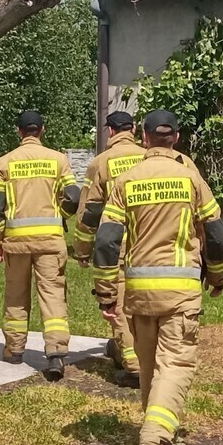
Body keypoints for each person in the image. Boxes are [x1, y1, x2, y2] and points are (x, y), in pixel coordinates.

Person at [92, 109, 223, 445]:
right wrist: (217, 276)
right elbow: (215, 234)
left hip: (138, 293)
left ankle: (153, 434)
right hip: (181, 292)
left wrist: (107, 293)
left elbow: (106, 242)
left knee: (151, 368)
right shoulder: (191, 179)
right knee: (175, 365)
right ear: (177, 138)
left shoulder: (126, 182)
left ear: (144, 137)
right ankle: (154, 443)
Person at [0, 110, 80, 381]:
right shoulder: (58, 160)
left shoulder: (4, 162)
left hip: (16, 243)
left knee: (16, 294)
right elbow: (73, 196)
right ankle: (55, 353)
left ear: (19, 131)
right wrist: (61, 215)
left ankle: (14, 350)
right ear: (42, 130)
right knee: (52, 296)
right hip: (50, 242)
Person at [74, 110, 145, 388]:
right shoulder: (148, 158)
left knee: (119, 304)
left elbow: (89, 213)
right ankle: (148, 358)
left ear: (111, 132)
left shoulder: (101, 163)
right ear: (135, 130)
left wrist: (81, 250)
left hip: (116, 244)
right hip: (149, 244)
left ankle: (134, 366)